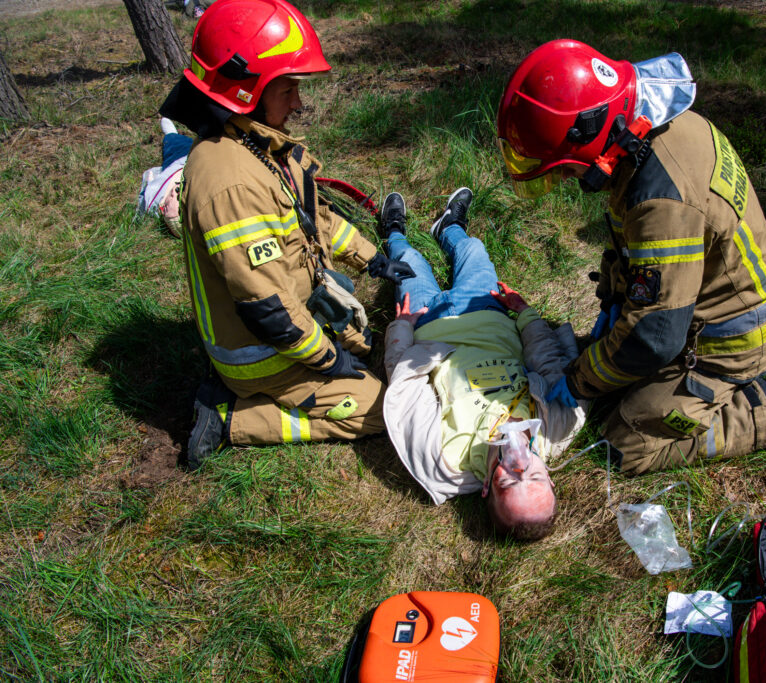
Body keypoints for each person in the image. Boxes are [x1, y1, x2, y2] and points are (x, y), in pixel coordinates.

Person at [496, 40, 766, 475]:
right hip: (712, 304)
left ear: (592, 136)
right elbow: (636, 250)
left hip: (726, 341)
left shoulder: (660, 196)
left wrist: (581, 379)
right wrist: (614, 303)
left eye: (566, 168)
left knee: (623, 445)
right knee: (616, 375)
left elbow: (654, 338)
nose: (567, 178)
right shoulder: (654, 136)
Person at [159, 0, 414, 470]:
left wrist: (372, 259)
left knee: (372, 349)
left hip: (299, 314)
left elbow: (314, 220)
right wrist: (327, 360)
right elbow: (269, 308)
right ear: (246, 90)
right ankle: (230, 415)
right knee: (386, 411)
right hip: (262, 354)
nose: (298, 102)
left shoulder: (260, 145)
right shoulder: (230, 184)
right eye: (288, 88)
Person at [378, 187, 586, 540]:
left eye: (509, 482)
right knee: (473, 250)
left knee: (408, 258)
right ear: (550, 477)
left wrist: (403, 328)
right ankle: (448, 227)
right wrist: (525, 314)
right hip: (489, 312)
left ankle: (393, 230)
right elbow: (548, 360)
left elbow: (404, 383)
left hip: (427, 322)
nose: (519, 464)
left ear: (487, 487)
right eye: (534, 475)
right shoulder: (559, 426)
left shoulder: (445, 458)